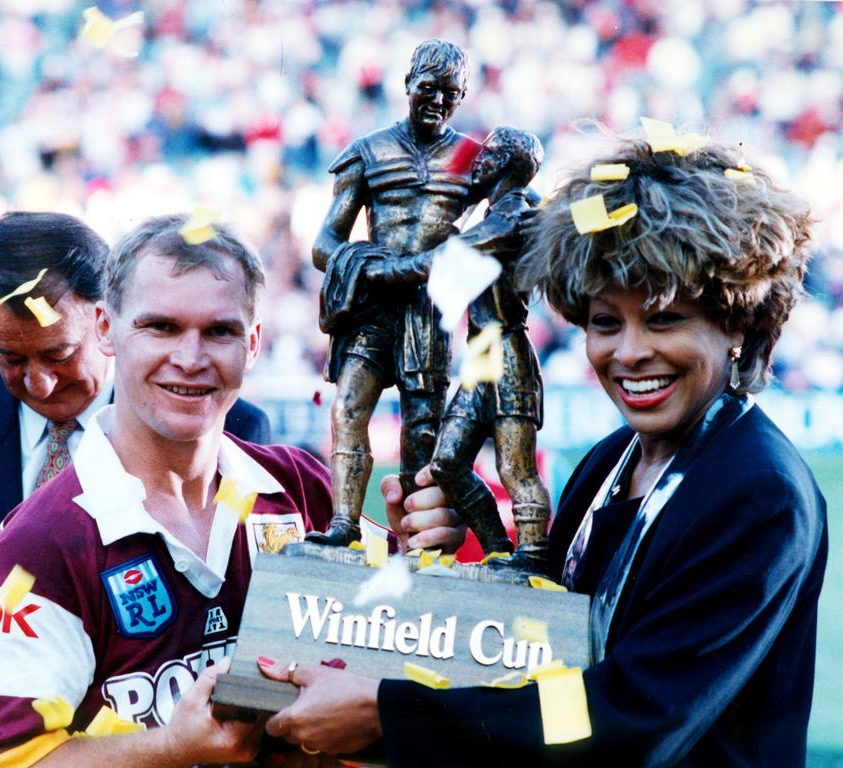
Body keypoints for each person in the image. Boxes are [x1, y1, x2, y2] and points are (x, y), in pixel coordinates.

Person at [255, 131, 827, 766]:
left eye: (664, 319)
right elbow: (535, 641)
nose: (628, 352)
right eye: (606, 322)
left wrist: (389, 715)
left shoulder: (759, 492)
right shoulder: (611, 461)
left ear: (738, 323)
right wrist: (458, 561)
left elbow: (627, 718)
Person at [0, 214, 459, 767]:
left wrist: (422, 559)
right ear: (105, 328)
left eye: (220, 331)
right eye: (160, 327)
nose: (190, 359)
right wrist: (168, 748)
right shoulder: (39, 545)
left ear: (254, 343)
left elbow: (427, 665)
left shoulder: (304, 492)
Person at [0, 211, 270, 766]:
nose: (39, 382)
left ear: (106, 321)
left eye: (59, 353)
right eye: (10, 358)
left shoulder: (219, 423)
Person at [310, 38, 478, 546]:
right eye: (428, 89)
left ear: (463, 94)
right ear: (407, 85)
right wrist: (367, 264)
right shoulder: (369, 151)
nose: (438, 102)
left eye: (451, 93)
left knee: (423, 427)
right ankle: (344, 523)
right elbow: (324, 243)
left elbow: (513, 214)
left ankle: (417, 541)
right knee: (348, 407)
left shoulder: (473, 156)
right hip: (374, 302)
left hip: (428, 310)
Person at [366, 126, 551, 567]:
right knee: (446, 463)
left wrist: (392, 267)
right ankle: (500, 550)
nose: (477, 163)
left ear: (506, 164)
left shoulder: (516, 214)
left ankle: (533, 555)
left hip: (508, 351)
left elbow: (451, 254)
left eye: (486, 157)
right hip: (481, 354)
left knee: (516, 468)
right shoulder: (496, 211)